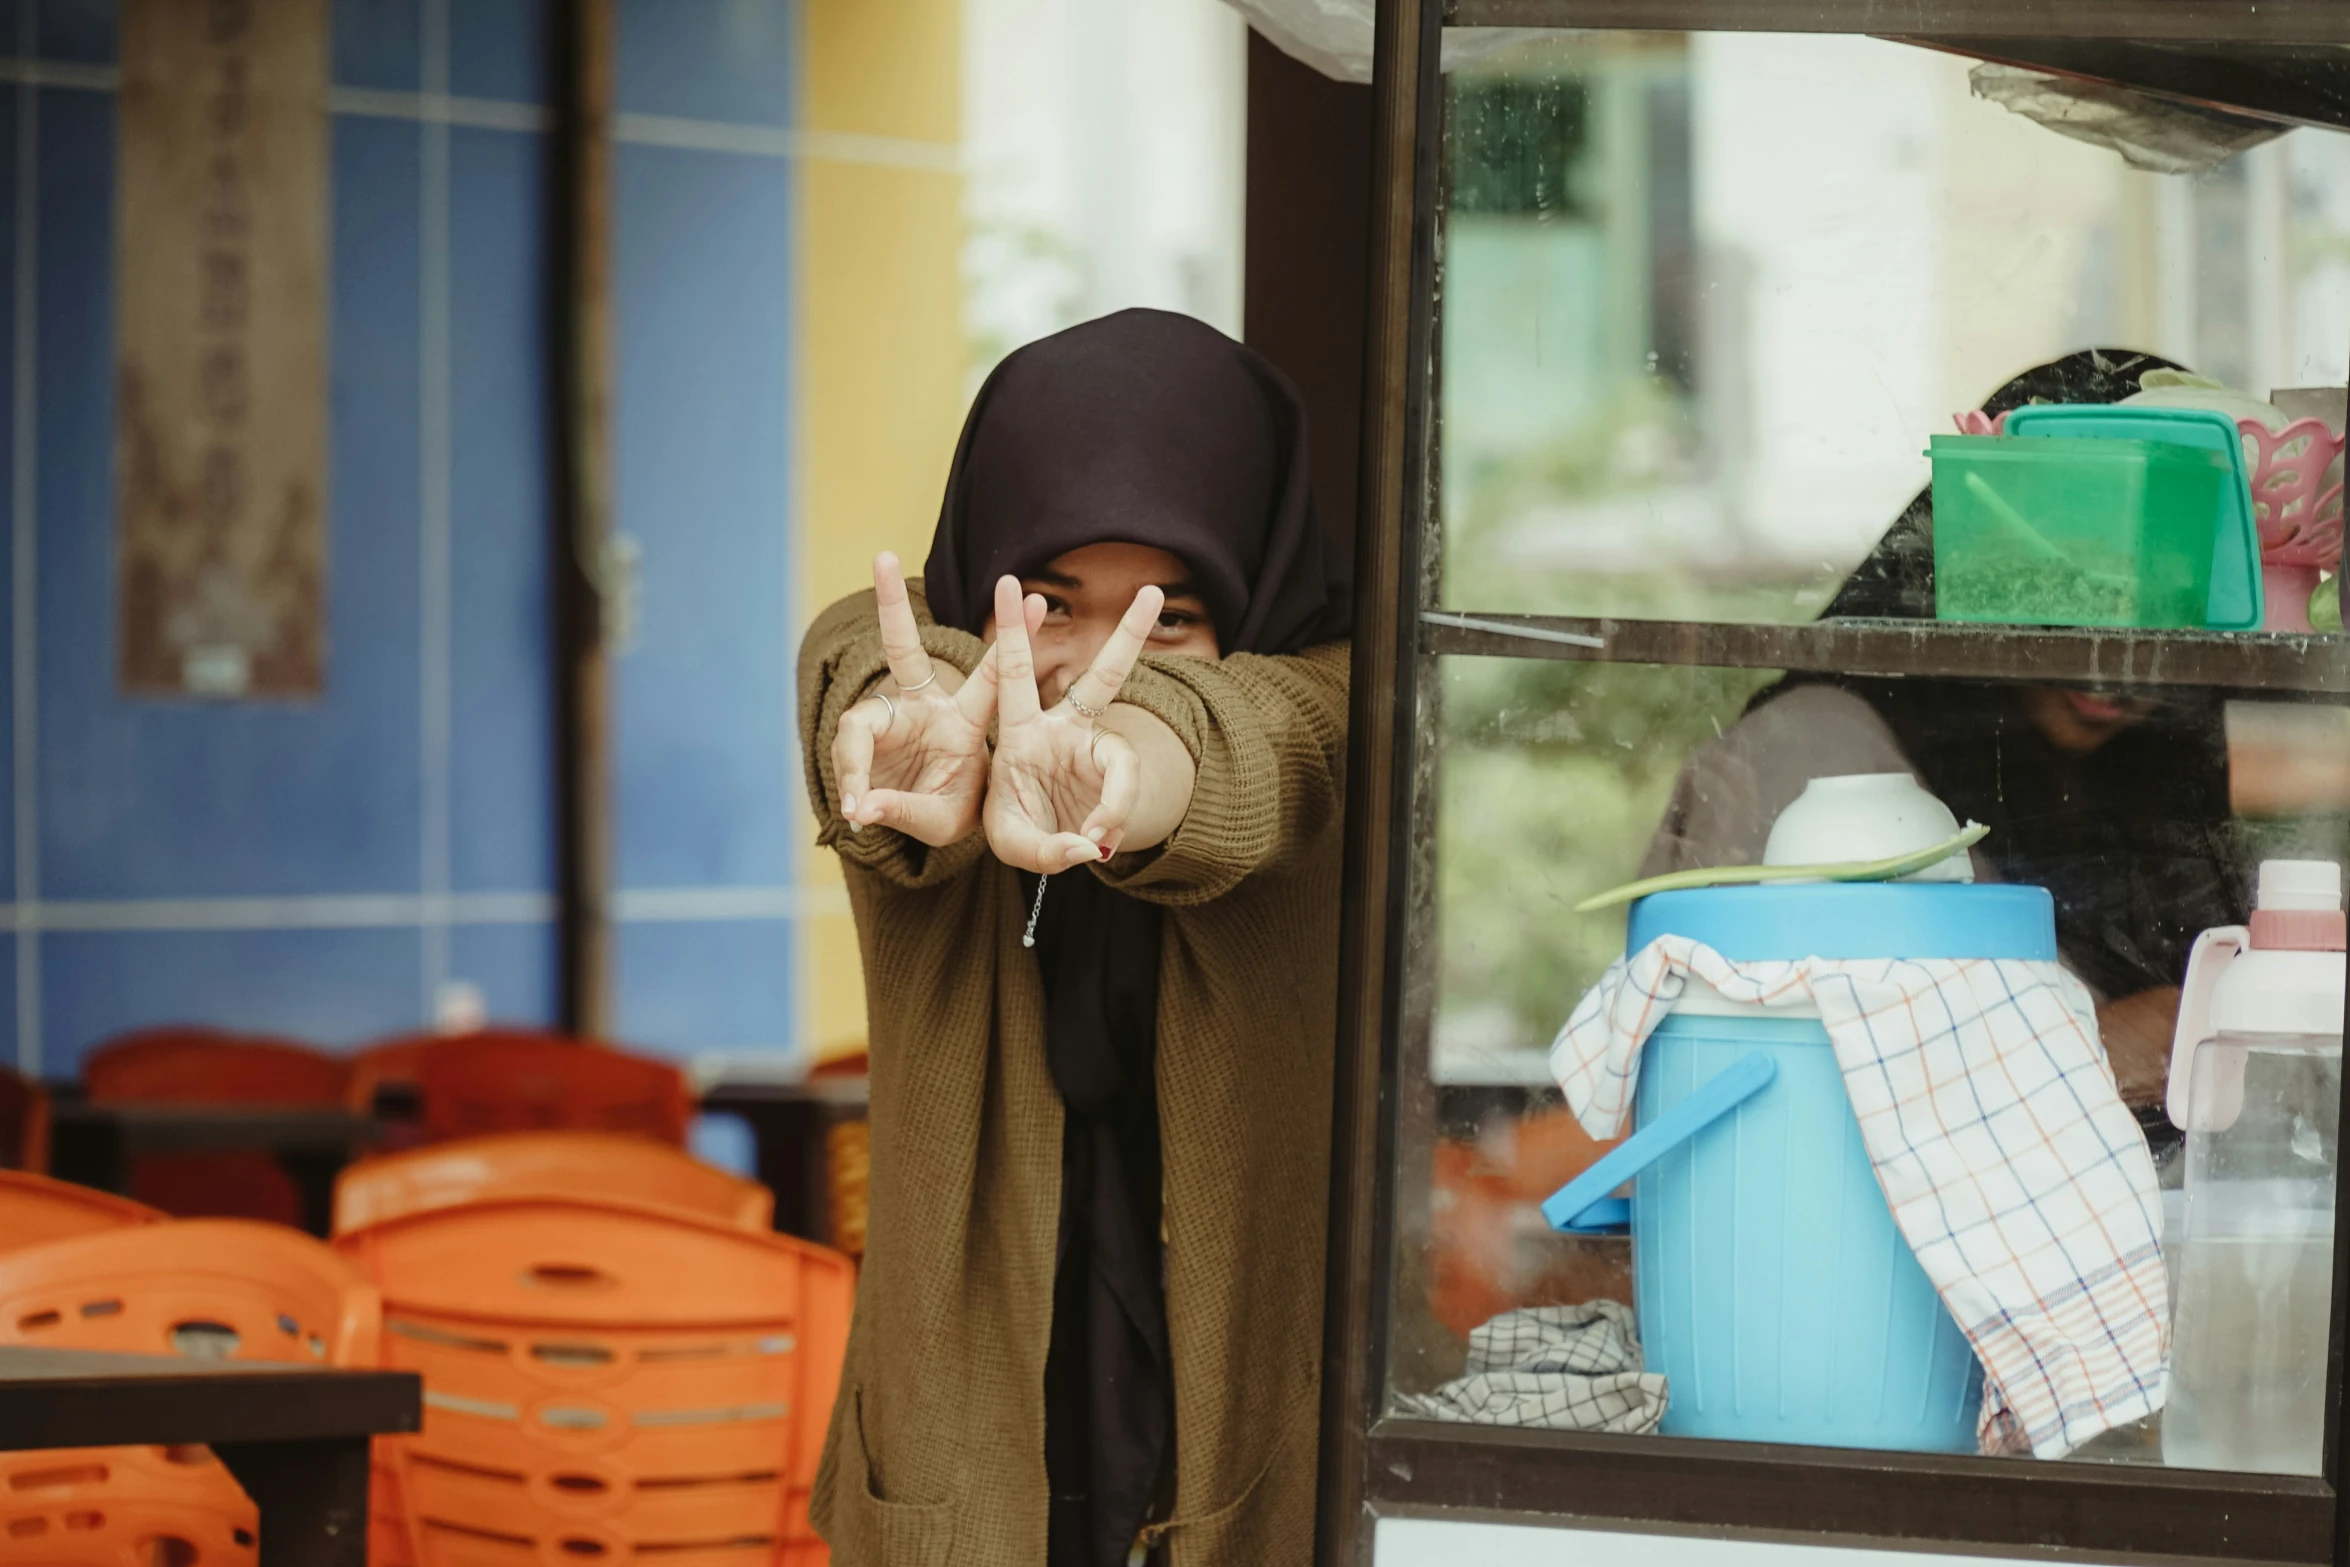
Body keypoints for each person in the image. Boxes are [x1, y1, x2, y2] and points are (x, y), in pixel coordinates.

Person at [797, 308, 1351, 1567]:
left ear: (1254, 597)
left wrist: (1122, 769)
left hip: (1235, 1440)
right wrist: (913, 743)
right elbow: (859, 663)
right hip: (967, 1450)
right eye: (1048, 599)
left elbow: (1252, 745)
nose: (1092, 660)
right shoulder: (916, 703)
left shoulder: (1330, 698)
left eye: (1170, 616)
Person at [1639, 349, 2248, 1108]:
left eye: (2165, 602)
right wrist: (2102, 1044)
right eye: (2074, 580)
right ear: (1981, 566)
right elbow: (1780, 1084)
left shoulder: (2138, 776)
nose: (2116, 671)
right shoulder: (1812, 758)